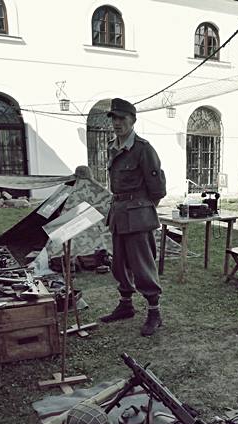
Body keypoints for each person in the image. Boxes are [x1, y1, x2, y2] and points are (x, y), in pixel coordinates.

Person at [100, 98, 166, 336]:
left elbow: (157, 189)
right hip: (118, 213)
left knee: (142, 266)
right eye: (114, 119)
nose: (117, 123)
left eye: (122, 118)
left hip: (138, 217)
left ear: (133, 120)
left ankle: (154, 312)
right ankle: (126, 305)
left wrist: (142, 210)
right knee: (119, 264)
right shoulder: (113, 146)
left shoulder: (143, 149)